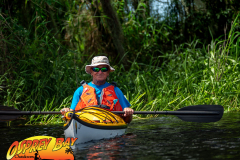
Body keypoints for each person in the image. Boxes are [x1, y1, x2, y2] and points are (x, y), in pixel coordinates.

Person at [61, 56, 134, 123]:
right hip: (85, 122)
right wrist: (66, 112)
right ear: (91, 72)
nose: (100, 72)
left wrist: (128, 113)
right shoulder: (80, 91)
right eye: (96, 69)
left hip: (110, 124)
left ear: (108, 72)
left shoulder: (116, 90)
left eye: (104, 69)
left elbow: (128, 120)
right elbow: (71, 114)